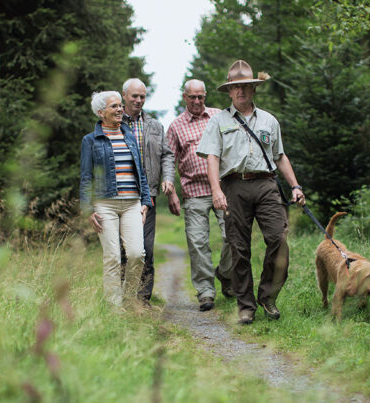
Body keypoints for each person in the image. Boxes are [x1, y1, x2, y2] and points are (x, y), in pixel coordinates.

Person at [196, 60, 306, 325]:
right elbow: (211, 157)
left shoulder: (269, 120)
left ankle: (268, 297)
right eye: (236, 88)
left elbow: (280, 157)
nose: (241, 92)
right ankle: (245, 306)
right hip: (234, 185)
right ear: (230, 92)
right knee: (238, 247)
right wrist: (216, 191)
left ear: (253, 89)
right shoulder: (218, 121)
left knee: (278, 240)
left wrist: (296, 186)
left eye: (245, 87)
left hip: (267, 185)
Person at [166, 79, 234, 312]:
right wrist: (171, 191)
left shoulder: (219, 116)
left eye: (200, 97)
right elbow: (169, 160)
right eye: (192, 97)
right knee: (197, 243)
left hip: (224, 188)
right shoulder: (176, 126)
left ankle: (225, 274)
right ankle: (206, 291)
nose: (197, 101)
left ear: (205, 96)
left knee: (233, 236)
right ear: (184, 97)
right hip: (194, 191)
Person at [80, 91, 152, 308]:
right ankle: (114, 308)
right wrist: (87, 209)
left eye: (121, 106)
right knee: (112, 257)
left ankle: (130, 300)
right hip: (105, 205)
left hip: (132, 203)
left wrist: (146, 201)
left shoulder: (128, 135)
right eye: (114, 106)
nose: (120, 110)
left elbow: (140, 171)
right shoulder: (90, 140)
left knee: (137, 254)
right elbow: (86, 177)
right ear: (101, 112)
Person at [121, 78, 175, 305]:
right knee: (124, 250)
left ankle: (143, 299)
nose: (138, 100)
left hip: (148, 195)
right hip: (122, 195)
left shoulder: (154, 126)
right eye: (134, 96)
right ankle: (123, 298)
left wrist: (168, 179)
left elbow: (167, 155)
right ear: (124, 96)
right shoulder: (114, 123)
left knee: (146, 249)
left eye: (142, 96)